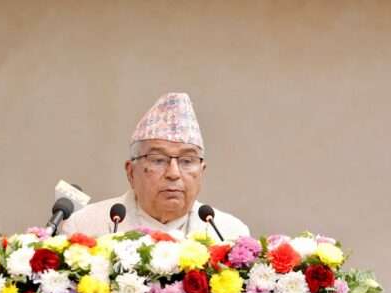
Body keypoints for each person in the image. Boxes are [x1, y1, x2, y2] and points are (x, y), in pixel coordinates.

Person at [61, 92, 250, 239]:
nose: (173, 173)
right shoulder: (85, 227)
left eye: (186, 161)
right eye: (158, 160)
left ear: (202, 172)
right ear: (131, 172)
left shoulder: (229, 233)